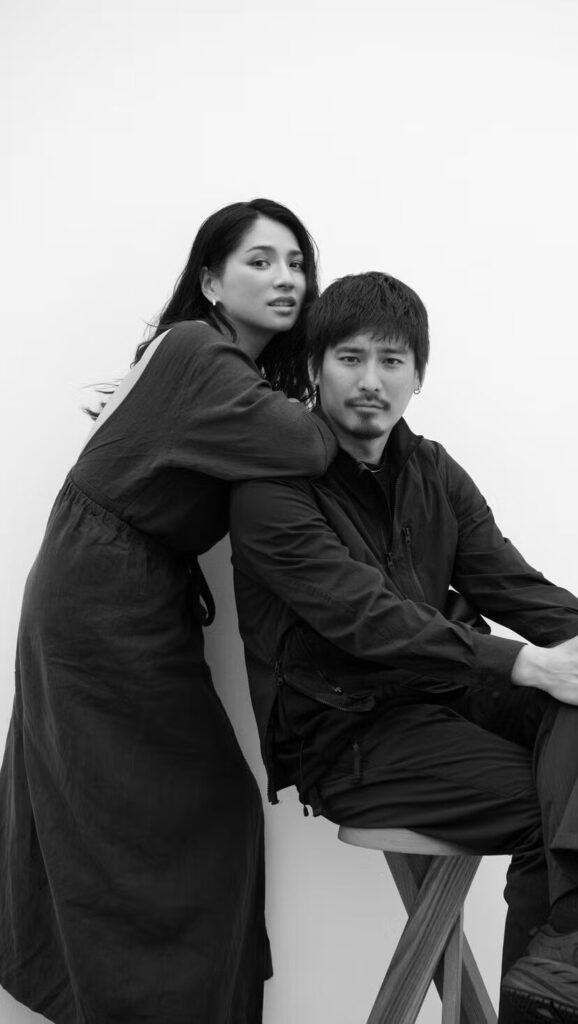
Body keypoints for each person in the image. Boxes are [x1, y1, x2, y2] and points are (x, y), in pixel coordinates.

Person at [228, 271, 578, 1024]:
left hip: (447, 699)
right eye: (350, 358)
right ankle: (563, 972)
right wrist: (531, 662)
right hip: (350, 736)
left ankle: (572, 948)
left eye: (392, 361)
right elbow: (365, 618)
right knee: (557, 805)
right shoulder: (270, 485)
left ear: (418, 375)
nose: (371, 381)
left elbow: (510, 582)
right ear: (314, 367)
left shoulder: (432, 469)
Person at [0, 199, 337, 1024]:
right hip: (100, 594)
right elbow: (309, 445)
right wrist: (350, 400)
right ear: (211, 282)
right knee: (127, 811)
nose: (286, 279)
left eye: (297, 263)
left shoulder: (225, 372)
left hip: (126, 586)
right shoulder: (196, 348)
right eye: (261, 261)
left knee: (187, 810)